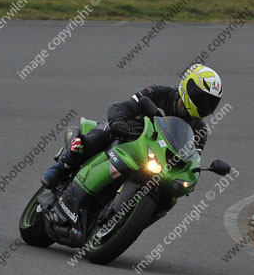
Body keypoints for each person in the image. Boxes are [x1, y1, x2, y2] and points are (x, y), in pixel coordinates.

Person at [41, 65, 223, 239]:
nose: (205, 106)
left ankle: (126, 223)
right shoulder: (158, 93)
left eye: (211, 103)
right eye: (201, 98)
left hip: (157, 159)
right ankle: (61, 168)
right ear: (187, 87)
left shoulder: (200, 130)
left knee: (169, 198)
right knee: (96, 137)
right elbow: (120, 107)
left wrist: (190, 175)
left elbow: (193, 157)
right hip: (127, 136)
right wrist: (119, 122)